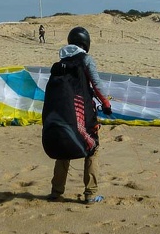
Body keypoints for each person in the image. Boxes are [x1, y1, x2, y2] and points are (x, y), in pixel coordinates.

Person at [47, 26, 112, 204]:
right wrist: (106, 103)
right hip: (82, 115)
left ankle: (56, 191)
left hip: (62, 115)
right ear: (86, 43)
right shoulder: (85, 59)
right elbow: (96, 84)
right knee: (92, 149)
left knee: (64, 148)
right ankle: (90, 193)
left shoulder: (61, 63)